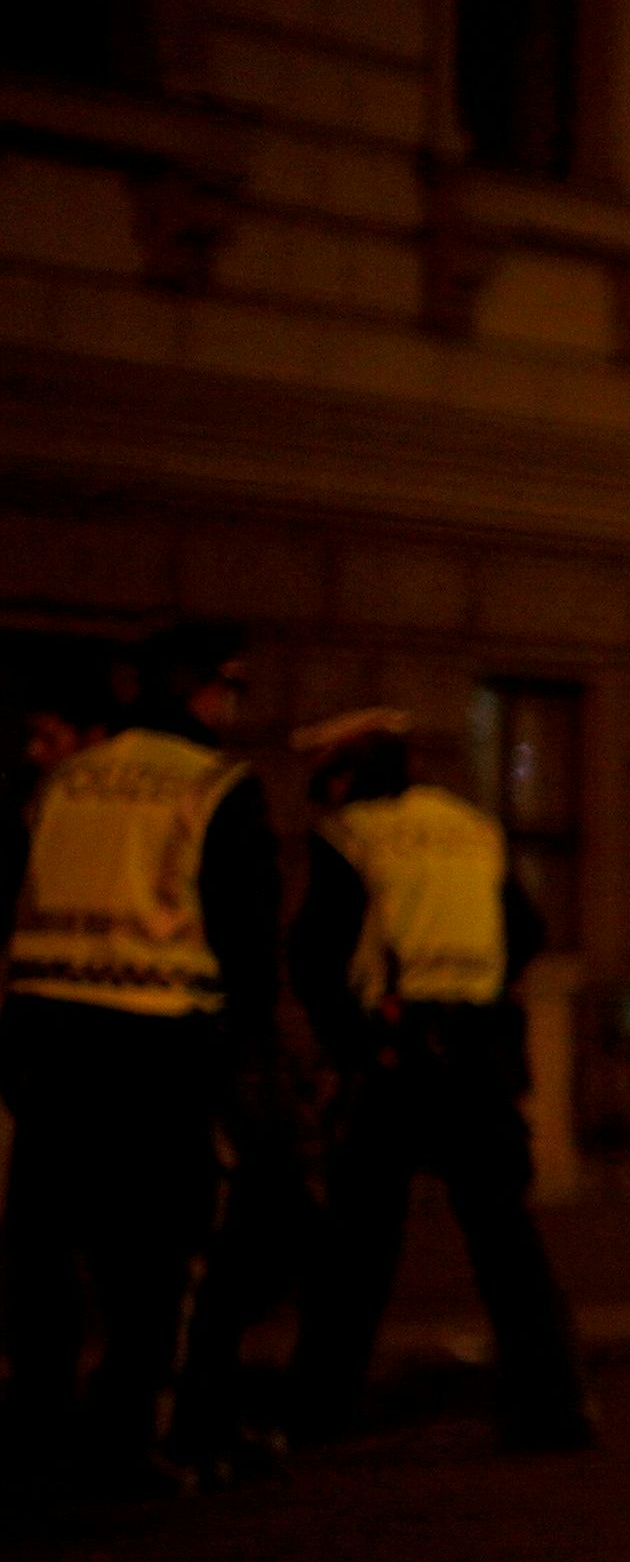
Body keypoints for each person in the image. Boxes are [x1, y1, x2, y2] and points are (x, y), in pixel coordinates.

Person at [2, 621, 282, 1502]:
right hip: (162, 1050)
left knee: (44, 1253)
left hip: (49, 1041)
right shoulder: (214, 786)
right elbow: (247, 940)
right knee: (157, 1260)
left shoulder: (64, 781)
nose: (231, 707)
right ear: (202, 690)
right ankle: (129, 1440)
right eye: (230, 688)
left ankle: (37, 1432)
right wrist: (250, 1057)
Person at [282, 709, 592, 1453]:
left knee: (358, 1243)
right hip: (477, 1053)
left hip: (397, 1055)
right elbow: (526, 930)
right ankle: (554, 1405)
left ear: (345, 777)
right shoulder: (471, 827)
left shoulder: (352, 836)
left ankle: (319, 1408)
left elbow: (316, 957)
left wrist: (350, 1046)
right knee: (505, 1239)